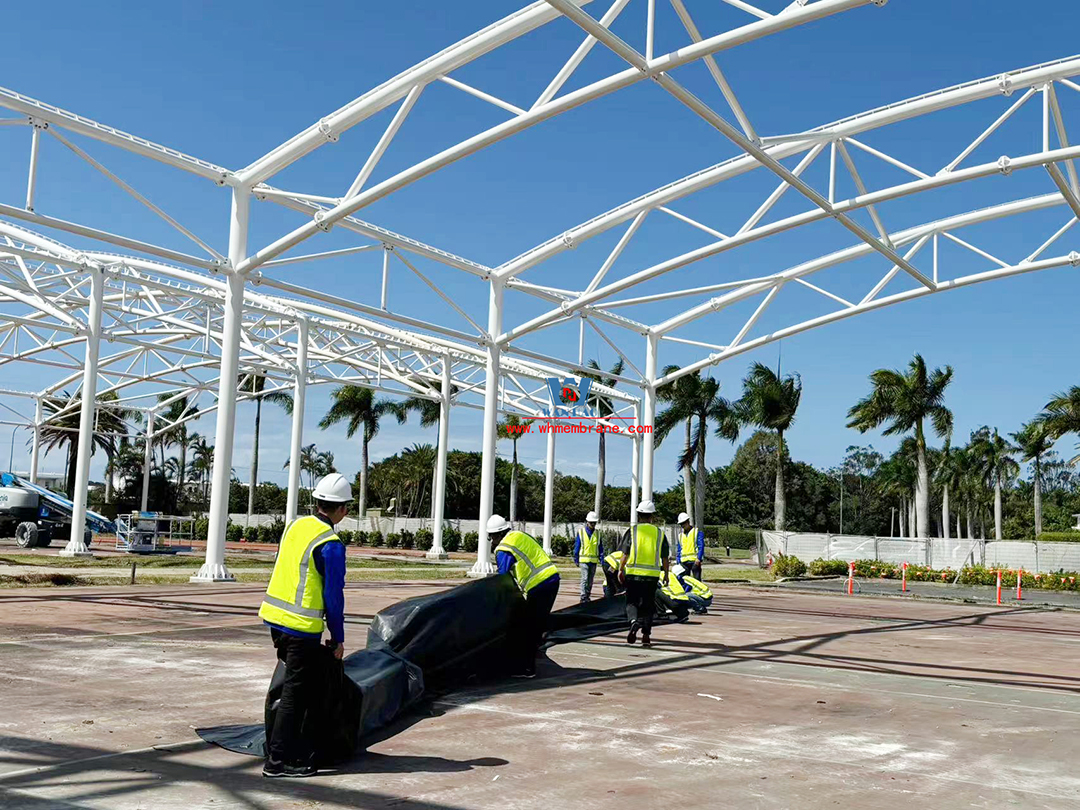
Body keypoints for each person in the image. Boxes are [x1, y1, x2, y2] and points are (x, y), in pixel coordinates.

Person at [257, 473, 352, 779]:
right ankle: (279, 761)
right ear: (343, 509)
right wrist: (338, 639)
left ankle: (289, 748)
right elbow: (333, 597)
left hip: (276, 619)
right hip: (300, 628)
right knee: (295, 695)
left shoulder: (296, 526)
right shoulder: (331, 544)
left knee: (295, 689)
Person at [490, 514, 560, 679]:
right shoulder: (520, 535)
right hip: (552, 579)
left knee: (528, 627)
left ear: (496, 535)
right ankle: (532, 656)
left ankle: (526, 668)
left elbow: (503, 579)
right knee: (536, 624)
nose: (492, 542)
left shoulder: (503, 549)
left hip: (539, 585)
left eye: (491, 537)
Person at [617, 500, 670, 648]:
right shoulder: (659, 533)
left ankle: (633, 622)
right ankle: (646, 635)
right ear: (652, 516)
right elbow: (665, 558)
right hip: (652, 576)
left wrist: (621, 569)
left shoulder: (633, 531)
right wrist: (666, 574)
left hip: (633, 574)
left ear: (639, 515)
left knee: (631, 601)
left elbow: (624, 554)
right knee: (648, 605)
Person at [573, 511, 603, 603]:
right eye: (591, 523)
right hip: (584, 560)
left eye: (594, 523)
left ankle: (588, 595)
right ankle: (583, 595)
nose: (593, 524)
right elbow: (577, 546)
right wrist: (576, 559)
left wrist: (601, 559)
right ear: (587, 522)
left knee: (590, 580)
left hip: (593, 561)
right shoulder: (581, 532)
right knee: (584, 578)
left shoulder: (598, 533)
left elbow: (600, 547)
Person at [676, 511, 705, 582]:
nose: (682, 525)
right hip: (684, 562)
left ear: (688, 522)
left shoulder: (696, 532)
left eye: (684, 523)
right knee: (684, 582)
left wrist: (699, 558)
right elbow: (679, 549)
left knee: (697, 581)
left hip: (694, 561)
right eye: (681, 524)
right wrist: (678, 561)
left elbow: (701, 546)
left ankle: (698, 593)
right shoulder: (680, 536)